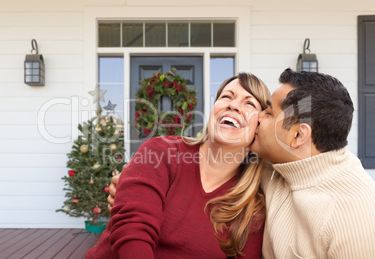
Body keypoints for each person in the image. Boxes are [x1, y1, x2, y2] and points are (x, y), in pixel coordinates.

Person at [106, 68, 375, 258]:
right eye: (226, 97)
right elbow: (134, 221)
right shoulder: (274, 169)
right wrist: (131, 190)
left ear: (297, 136)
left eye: (263, 110)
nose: (235, 107)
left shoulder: (355, 214)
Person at [86, 72, 271, 258]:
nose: (233, 105)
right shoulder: (160, 152)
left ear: (259, 127)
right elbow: (133, 231)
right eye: (226, 97)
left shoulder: (251, 209)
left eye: (249, 103)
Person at [252, 68, 375, 258]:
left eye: (268, 112)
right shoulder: (278, 166)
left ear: (298, 135)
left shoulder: (356, 214)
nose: (258, 116)